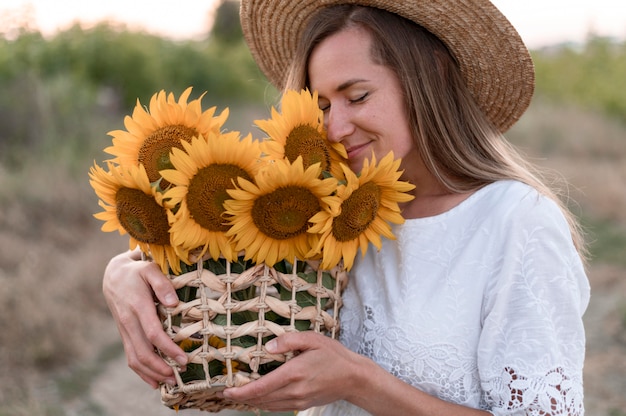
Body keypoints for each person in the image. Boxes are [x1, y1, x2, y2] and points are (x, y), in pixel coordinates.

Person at [103, 0, 591, 414]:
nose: (335, 128)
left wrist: (360, 381)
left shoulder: (514, 223)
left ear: (432, 77)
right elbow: (220, 261)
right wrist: (123, 274)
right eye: (322, 106)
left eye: (356, 96)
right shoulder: (330, 214)